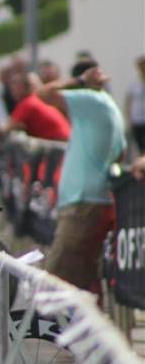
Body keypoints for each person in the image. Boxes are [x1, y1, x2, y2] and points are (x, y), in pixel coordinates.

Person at [37, 61, 126, 294]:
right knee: (85, 286)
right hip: (96, 202)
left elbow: (43, 93)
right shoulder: (110, 106)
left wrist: (80, 82)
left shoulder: (90, 100)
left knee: (54, 286)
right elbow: (121, 154)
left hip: (82, 205)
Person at [2, 72, 71, 141]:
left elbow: (7, 128)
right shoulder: (34, 99)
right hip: (65, 139)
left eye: (17, 88)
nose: (14, 92)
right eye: (12, 89)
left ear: (26, 87)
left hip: (60, 142)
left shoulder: (27, 103)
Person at [124, 55, 145, 154]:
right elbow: (129, 102)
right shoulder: (134, 85)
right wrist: (129, 119)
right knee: (140, 145)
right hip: (137, 120)